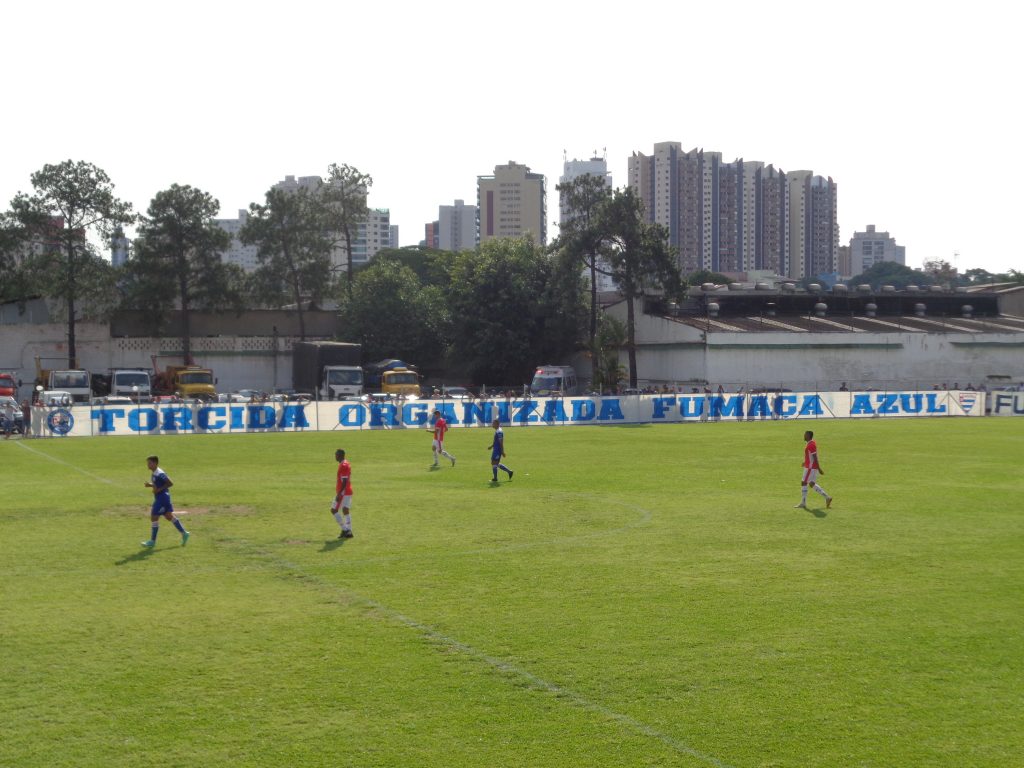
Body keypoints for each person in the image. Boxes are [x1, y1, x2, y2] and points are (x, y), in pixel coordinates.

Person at [141, 455, 190, 547]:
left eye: (150, 463)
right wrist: (150, 485)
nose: (148, 465)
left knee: (154, 517)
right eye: (148, 463)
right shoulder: (155, 472)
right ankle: (184, 533)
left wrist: (159, 490)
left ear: (155, 463)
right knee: (168, 516)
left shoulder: (159, 473)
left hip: (162, 498)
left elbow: (170, 483)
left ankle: (152, 541)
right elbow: (159, 483)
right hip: (162, 498)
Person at [795, 431, 832, 510]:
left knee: (804, 482)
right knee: (811, 484)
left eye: (805, 434)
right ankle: (827, 497)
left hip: (810, 468)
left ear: (808, 436)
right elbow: (810, 456)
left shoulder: (811, 445)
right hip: (811, 466)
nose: (804, 436)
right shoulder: (811, 443)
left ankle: (803, 503)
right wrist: (805, 462)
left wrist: (819, 468)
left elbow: (815, 457)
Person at [332, 448, 354, 539]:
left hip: (343, 493)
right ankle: (348, 531)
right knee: (345, 510)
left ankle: (345, 529)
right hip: (347, 491)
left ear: (340, 455)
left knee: (334, 510)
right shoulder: (345, 463)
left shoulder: (344, 465)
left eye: (336, 455)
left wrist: (339, 494)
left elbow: (344, 481)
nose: (335, 456)